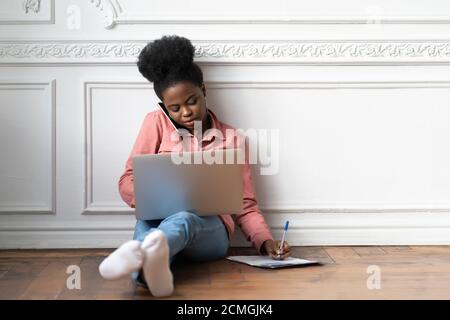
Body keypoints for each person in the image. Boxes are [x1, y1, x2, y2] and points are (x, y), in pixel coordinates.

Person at [98, 35, 291, 297]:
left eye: (191, 101)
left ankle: (136, 256)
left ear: (204, 90)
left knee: (184, 219)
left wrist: (264, 241)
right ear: (164, 107)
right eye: (174, 108)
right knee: (151, 226)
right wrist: (149, 196)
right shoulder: (154, 123)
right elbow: (127, 180)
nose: (186, 113)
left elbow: (245, 204)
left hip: (209, 235)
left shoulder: (233, 139)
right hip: (158, 221)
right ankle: (153, 275)